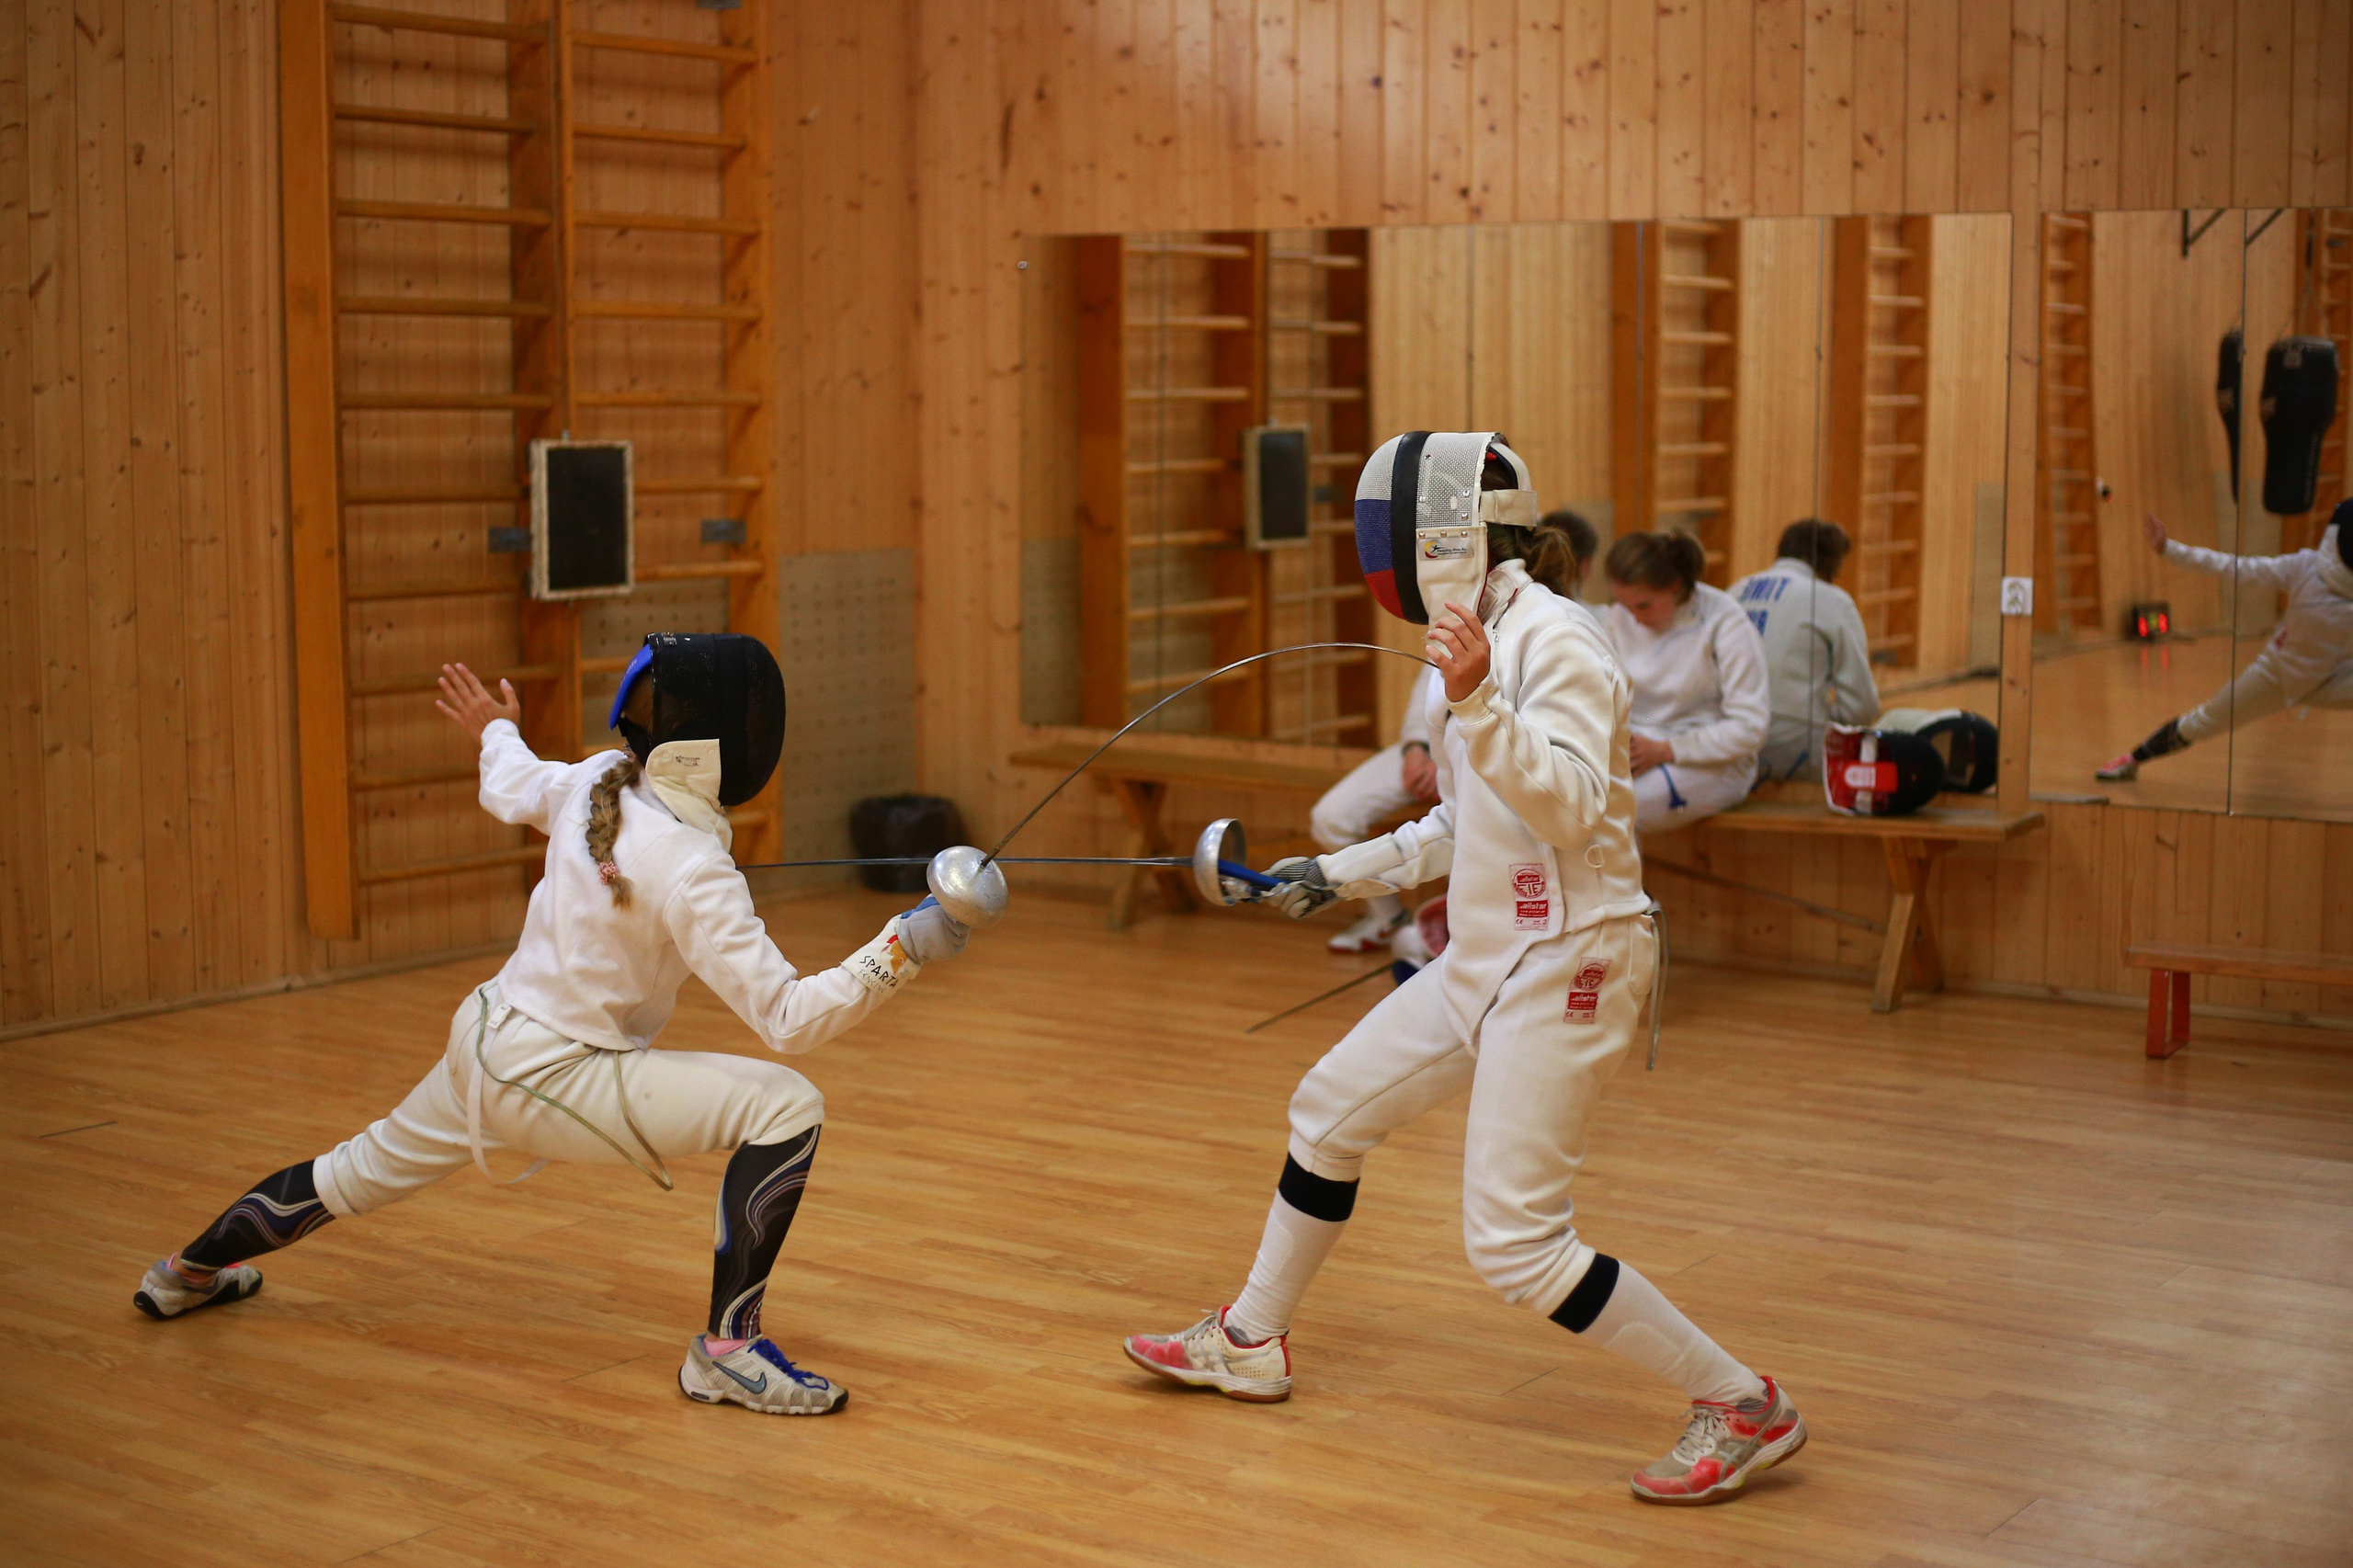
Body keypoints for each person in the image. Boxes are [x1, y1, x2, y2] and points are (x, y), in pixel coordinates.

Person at [1123, 435, 1805, 1507]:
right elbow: (1464, 813)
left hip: (1570, 958)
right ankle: (1250, 1336)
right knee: (1327, 1110)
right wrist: (1332, 872)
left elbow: (1577, 803)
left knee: (1515, 1243)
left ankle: (1741, 1400)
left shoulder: (1554, 642)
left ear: (1435, 538)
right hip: (1485, 951)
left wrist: (1480, 701)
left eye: (1380, 535)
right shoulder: (1477, 639)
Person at [131, 634, 974, 1417]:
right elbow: (787, 1018)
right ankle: (726, 1349)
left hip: (484, 1041)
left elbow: (513, 780)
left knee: (350, 1173)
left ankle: (184, 1274)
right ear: (717, 748)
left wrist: (495, 729)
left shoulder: (602, 778)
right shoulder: (696, 871)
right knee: (787, 1104)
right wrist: (904, 946)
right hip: (555, 1078)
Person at [1315, 509, 1599, 953]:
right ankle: (1399, 930)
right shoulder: (1471, 623)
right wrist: (1328, 877)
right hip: (1493, 939)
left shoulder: (1560, 632)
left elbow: (1567, 812)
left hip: (1564, 941)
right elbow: (1455, 821)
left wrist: (1473, 709)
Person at [2097, 506, 2353, 779]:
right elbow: (2234, 567)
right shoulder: (2305, 568)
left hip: (2332, 680)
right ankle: (2132, 759)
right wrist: (2169, 549)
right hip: (2278, 675)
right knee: (2204, 721)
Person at [1599, 530, 1770, 832]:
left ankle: (1628, 882)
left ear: (1676, 587)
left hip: (1713, 764)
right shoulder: (1616, 619)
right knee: (1574, 803)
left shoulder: (1724, 621)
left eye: (1643, 606)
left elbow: (1749, 727)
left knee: (1616, 812)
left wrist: (1667, 749)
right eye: (1625, 605)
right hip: (1636, 753)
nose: (1634, 618)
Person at [1730, 518, 1881, 781]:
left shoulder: (1735, 590)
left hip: (1728, 741)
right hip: (1792, 746)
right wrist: (1819, 721)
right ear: (1829, 564)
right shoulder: (1831, 599)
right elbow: (1861, 707)